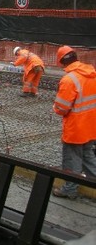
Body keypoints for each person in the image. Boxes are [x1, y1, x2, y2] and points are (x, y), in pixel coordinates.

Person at [51, 46, 96, 199]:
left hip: (76, 128)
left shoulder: (69, 79)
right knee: (88, 156)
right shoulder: (92, 74)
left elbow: (61, 108)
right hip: (91, 126)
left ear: (61, 62)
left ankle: (70, 190)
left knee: (71, 159)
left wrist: (55, 107)